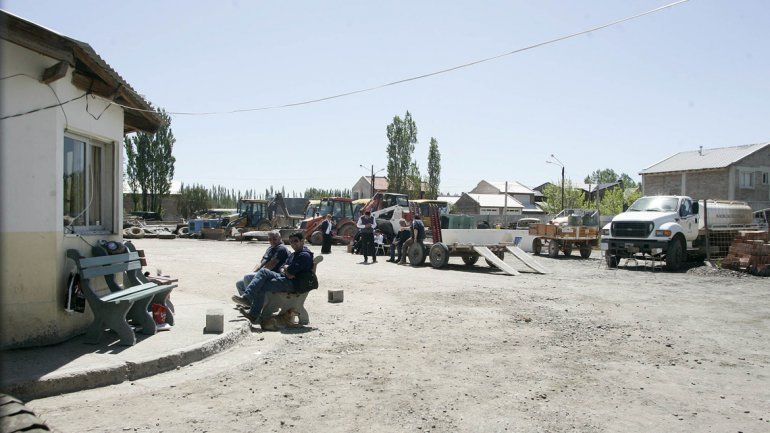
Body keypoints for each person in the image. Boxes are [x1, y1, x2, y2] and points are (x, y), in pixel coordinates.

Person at [232, 232, 314, 329]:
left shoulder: (304, 255)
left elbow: (290, 274)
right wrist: (286, 269)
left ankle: (252, 311)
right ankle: (248, 300)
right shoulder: (294, 254)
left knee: (261, 282)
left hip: (293, 284)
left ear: (302, 241)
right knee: (263, 273)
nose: (293, 244)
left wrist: (286, 269)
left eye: (296, 241)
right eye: (291, 242)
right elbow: (283, 268)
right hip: (285, 278)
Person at [236, 231, 289, 295]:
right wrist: (253, 272)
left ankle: (250, 298)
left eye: (274, 239)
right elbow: (260, 263)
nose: (272, 241)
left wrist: (257, 274)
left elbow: (271, 265)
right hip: (262, 273)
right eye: (270, 239)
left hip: (271, 274)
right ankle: (247, 303)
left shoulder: (281, 249)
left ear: (280, 238)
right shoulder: (270, 248)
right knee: (239, 284)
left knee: (248, 277)